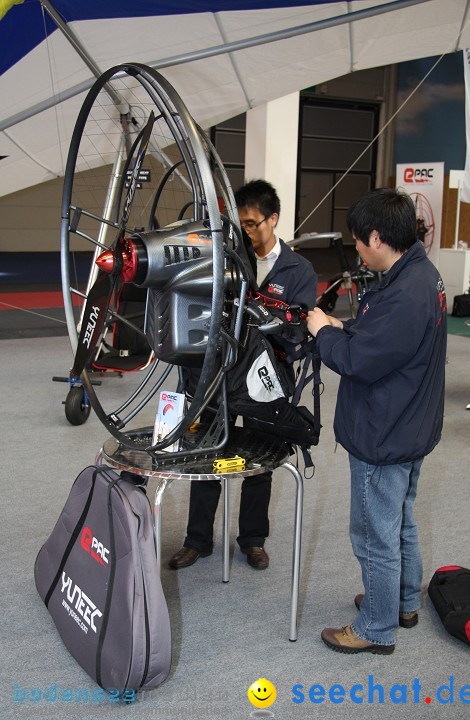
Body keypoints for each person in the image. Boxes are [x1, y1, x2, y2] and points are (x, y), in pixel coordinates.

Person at [307, 188, 447, 654]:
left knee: (373, 534)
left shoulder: (407, 292)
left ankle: (375, 627)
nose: (358, 251)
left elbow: (362, 361)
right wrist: (345, 327)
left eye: (359, 242)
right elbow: (389, 342)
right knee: (399, 519)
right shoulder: (417, 275)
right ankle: (403, 602)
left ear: (376, 236)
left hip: (384, 433)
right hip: (407, 425)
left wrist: (325, 333)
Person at [169, 179, 318, 570]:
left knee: (260, 459)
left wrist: (269, 321)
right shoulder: (225, 259)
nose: (246, 231)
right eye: (240, 224)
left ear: (273, 219)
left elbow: (300, 329)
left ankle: (252, 539)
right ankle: (197, 539)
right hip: (217, 376)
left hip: (265, 381)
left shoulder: (298, 269)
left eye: (253, 224)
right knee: (206, 454)